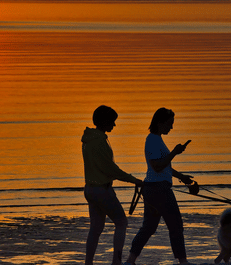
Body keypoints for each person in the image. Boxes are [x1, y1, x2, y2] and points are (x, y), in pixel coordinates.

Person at [125, 107, 194, 265]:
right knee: (175, 226)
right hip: (159, 190)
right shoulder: (153, 140)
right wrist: (174, 152)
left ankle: (130, 260)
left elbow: (163, 165)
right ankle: (183, 262)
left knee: (149, 228)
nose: (171, 127)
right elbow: (157, 166)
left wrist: (181, 177)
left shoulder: (155, 139)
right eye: (170, 123)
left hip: (152, 189)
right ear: (160, 123)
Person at [82, 105, 143, 265]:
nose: (114, 125)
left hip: (89, 189)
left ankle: (88, 263)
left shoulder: (89, 139)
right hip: (102, 190)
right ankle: (116, 262)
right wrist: (134, 180)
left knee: (95, 229)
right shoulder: (100, 141)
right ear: (104, 121)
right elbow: (111, 169)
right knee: (121, 222)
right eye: (112, 121)